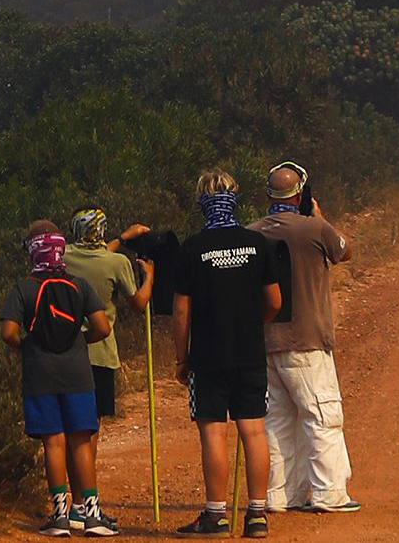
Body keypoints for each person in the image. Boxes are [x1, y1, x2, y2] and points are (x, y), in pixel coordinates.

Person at [162, 168, 285, 537]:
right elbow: (275, 302)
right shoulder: (257, 243)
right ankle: (258, 515)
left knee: (214, 434)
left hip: (208, 356)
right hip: (249, 352)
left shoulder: (192, 249)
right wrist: (251, 325)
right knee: (254, 431)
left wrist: (182, 359)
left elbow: (181, 311)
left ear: (202, 203)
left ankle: (215, 516)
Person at [253, 161, 358, 515]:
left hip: (265, 341)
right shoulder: (314, 229)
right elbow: (345, 250)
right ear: (300, 194)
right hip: (307, 339)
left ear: (268, 196)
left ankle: (280, 497)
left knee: (276, 421)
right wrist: (320, 218)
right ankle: (330, 494)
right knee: (322, 415)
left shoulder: (252, 233)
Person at [0, 221, 105, 535]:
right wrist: (79, 341)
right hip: (78, 374)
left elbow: (8, 332)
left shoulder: (24, 287)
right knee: (81, 442)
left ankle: (59, 516)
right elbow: (102, 327)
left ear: (32, 251)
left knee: (54, 444)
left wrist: (27, 347)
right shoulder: (79, 285)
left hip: (40, 374)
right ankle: (92, 515)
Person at [62, 208, 152, 534]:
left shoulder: (62, 258)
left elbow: (94, 255)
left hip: (65, 355)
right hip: (98, 355)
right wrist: (150, 276)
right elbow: (138, 303)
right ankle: (88, 506)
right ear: (100, 232)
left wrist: (120, 239)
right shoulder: (116, 264)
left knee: (71, 430)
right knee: (89, 433)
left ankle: (73, 505)